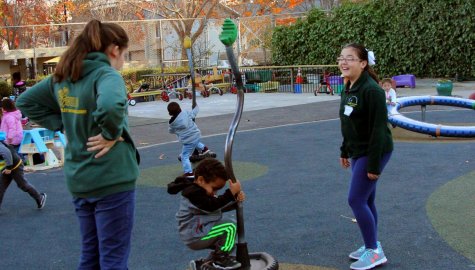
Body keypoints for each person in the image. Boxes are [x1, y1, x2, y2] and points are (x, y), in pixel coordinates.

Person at [16, 19, 140, 270]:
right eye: (124, 54)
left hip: (79, 177)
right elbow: (112, 105)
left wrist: (62, 124)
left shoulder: (64, 76)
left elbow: (26, 102)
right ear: (114, 49)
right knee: (114, 260)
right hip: (111, 177)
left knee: (90, 256)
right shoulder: (107, 75)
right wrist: (111, 132)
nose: (122, 61)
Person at [338, 43, 394, 270]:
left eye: (350, 58)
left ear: (363, 63)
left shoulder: (372, 90)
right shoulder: (349, 86)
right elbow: (348, 122)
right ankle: (371, 245)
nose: (343, 62)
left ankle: (374, 251)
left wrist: (373, 165)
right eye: (341, 58)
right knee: (367, 199)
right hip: (358, 150)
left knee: (356, 199)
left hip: (375, 150)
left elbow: (379, 130)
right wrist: (345, 150)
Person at [167, 158, 245, 270]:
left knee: (228, 239)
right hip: (196, 235)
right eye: (214, 189)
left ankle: (204, 264)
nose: (215, 193)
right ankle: (220, 259)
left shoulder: (199, 191)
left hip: (197, 232)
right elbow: (212, 206)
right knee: (230, 227)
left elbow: (216, 207)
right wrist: (230, 194)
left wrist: (235, 202)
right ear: (201, 180)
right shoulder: (194, 193)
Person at [0, 131, 46, 211]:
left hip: (15, 166)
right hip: (7, 167)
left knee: (23, 185)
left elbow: (6, 153)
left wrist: (9, 168)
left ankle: (40, 197)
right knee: (0, 187)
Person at [167, 101, 213, 178]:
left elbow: (170, 131)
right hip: (196, 134)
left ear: (170, 113)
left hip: (188, 141)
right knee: (195, 141)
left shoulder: (172, 123)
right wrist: (196, 106)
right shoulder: (186, 113)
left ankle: (189, 173)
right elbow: (193, 113)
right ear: (180, 109)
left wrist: (174, 130)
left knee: (184, 156)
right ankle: (204, 149)